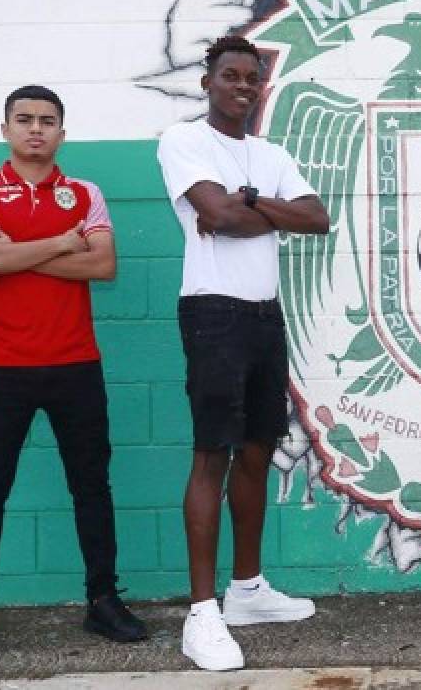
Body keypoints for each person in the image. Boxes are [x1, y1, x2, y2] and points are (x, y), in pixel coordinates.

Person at [0, 85, 146, 670]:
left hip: (75, 362)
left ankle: (103, 600)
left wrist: (16, 249)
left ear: (61, 133)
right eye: (24, 120)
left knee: (91, 486)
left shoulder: (85, 193)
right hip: (1, 366)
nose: (36, 130)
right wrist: (57, 243)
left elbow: (102, 264)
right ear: (5, 128)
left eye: (48, 121)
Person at [156, 33, 329, 672]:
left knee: (257, 450)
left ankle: (247, 591)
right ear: (208, 81)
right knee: (213, 456)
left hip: (265, 315)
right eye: (230, 75)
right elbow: (214, 218)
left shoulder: (269, 153)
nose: (242, 86)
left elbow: (316, 217)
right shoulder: (184, 141)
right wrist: (250, 211)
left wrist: (251, 202)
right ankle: (201, 613)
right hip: (212, 314)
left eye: (251, 78)